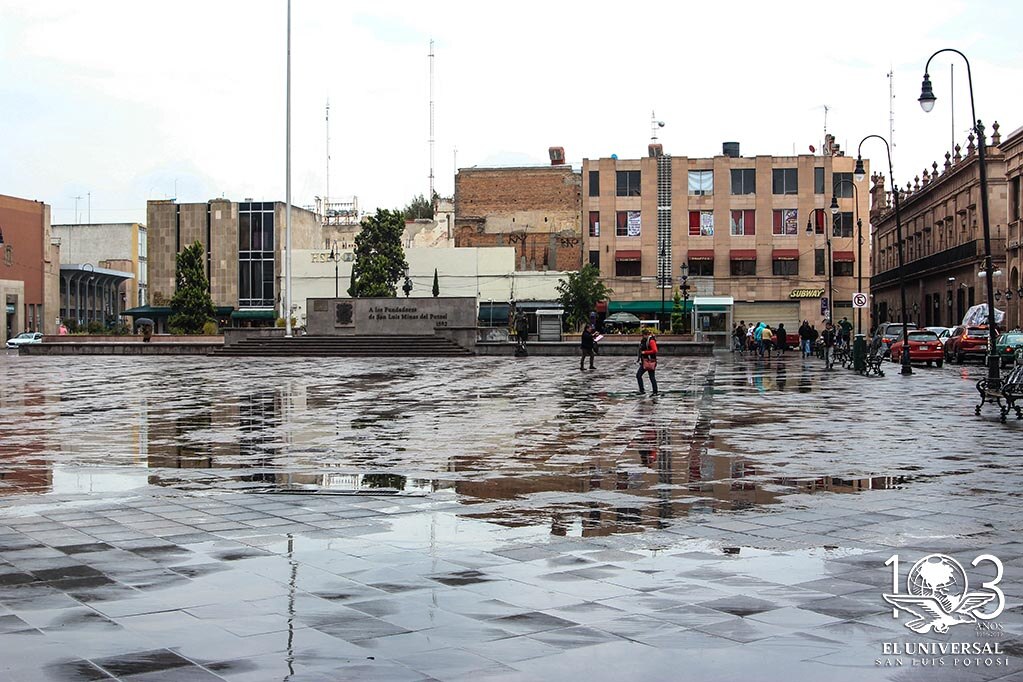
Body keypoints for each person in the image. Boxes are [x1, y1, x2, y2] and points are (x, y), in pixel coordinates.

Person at [636, 329, 658, 394]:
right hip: (646, 361)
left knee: (639, 375)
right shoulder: (645, 340)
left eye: (643, 335)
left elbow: (655, 350)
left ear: (646, 335)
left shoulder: (651, 341)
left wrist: (645, 352)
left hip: (650, 361)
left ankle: (643, 390)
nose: (642, 337)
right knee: (651, 376)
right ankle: (654, 391)